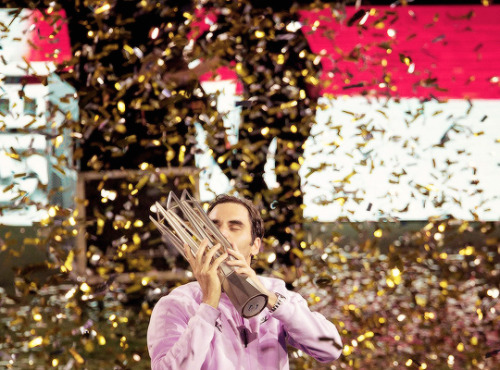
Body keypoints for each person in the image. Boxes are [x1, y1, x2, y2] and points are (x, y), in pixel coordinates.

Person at [147, 194, 342, 369]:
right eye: (213, 226)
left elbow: (330, 348)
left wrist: (270, 299)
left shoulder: (277, 293)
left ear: (255, 245)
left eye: (234, 226)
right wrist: (208, 305)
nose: (221, 234)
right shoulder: (176, 304)